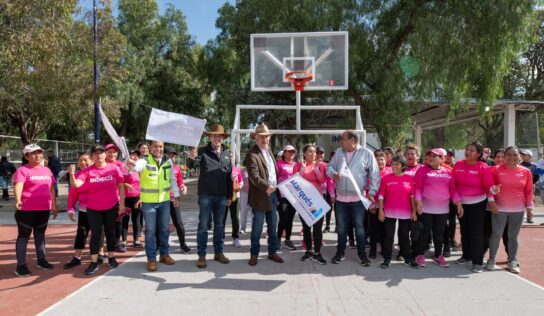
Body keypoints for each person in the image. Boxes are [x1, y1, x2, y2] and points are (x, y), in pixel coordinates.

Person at [68, 144, 124, 275]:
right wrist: (71, 174)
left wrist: (121, 204)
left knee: (110, 233)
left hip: (111, 206)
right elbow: (76, 185)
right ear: (93, 156)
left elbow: (121, 186)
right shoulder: (88, 171)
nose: (99, 155)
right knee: (96, 235)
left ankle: (111, 258)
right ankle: (93, 262)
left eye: (101, 152)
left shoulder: (114, 168)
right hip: (93, 208)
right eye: (96, 153)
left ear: (105, 154)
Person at [326, 130, 380, 266]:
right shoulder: (339, 152)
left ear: (353, 141)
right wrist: (333, 173)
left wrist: (372, 191)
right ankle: (340, 253)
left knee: (360, 228)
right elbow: (328, 167)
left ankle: (362, 255)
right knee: (342, 228)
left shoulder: (366, 153)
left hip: (358, 199)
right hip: (341, 199)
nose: (341, 142)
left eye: (343, 139)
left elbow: (375, 174)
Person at [127, 140, 180, 272]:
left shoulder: (168, 162)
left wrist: (177, 195)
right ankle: (151, 259)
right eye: (155, 146)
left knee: (164, 229)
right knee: (150, 231)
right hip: (149, 203)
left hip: (165, 202)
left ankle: (164, 255)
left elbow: (172, 179)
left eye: (160, 146)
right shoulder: (144, 161)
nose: (158, 148)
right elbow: (135, 167)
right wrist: (131, 164)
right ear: (150, 147)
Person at [187, 124, 233, 269]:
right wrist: (191, 158)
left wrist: (230, 195)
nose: (217, 138)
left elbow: (229, 176)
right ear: (210, 137)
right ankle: (201, 255)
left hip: (221, 196)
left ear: (223, 138)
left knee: (219, 226)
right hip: (206, 195)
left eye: (220, 136)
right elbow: (191, 166)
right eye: (214, 135)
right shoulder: (201, 151)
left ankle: (218, 253)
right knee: (203, 226)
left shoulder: (227, 153)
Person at [486, 146, 533, 274]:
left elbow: (528, 191)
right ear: (505, 156)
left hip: (518, 209)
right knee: (496, 235)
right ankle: (491, 259)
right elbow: (489, 188)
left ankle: (512, 261)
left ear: (519, 156)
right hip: (499, 209)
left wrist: (529, 207)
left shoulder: (525, 171)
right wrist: (492, 199)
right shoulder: (496, 170)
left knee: (513, 236)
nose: (512, 157)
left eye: (515, 155)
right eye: (509, 155)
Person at [13, 144, 58, 277]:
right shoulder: (22, 170)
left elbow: (51, 189)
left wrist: (54, 205)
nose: (37, 155)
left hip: (44, 209)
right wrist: (18, 200)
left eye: (39, 152)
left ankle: (41, 260)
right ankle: (21, 266)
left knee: (40, 235)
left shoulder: (47, 171)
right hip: (26, 210)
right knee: (23, 237)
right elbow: (18, 185)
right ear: (26, 156)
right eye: (33, 153)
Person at [414, 148, 462, 268]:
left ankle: (438, 256)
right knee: (424, 233)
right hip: (426, 209)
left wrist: (458, 203)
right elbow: (418, 188)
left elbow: (453, 190)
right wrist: (418, 200)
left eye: (434, 156)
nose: (430, 158)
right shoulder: (422, 170)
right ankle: (420, 255)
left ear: (442, 159)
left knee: (439, 234)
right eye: (429, 155)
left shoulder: (448, 172)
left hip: (442, 209)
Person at [452, 142, 495, 272]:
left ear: (478, 154)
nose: (467, 152)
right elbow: (453, 185)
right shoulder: (458, 165)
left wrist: (493, 199)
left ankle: (478, 262)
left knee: (476, 232)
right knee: (464, 230)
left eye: (471, 150)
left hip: (478, 204)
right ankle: (466, 256)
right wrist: (458, 202)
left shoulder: (483, 167)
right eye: (467, 149)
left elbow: (489, 187)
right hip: (461, 204)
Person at [245, 124, 283, 266]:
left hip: (272, 195)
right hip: (260, 196)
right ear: (256, 138)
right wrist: (267, 186)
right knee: (257, 227)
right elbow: (254, 176)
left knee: (273, 225)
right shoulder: (252, 154)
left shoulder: (269, 152)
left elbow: (273, 173)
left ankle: (272, 252)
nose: (265, 139)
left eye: (267, 136)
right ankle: (254, 254)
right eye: (262, 137)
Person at [293, 144, 332, 264]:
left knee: (317, 229)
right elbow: (295, 181)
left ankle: (317, 253)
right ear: (304, 153)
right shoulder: (298, 165)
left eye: (314, 152)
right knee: (306, 228)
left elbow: (322, 180)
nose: (313, 154)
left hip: (317, 201)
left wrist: (315, 169)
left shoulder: (321, 165)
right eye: (310, 151)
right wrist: (303, 169)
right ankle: (309, 251)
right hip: (303, 201)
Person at [378, 156, 418, 268]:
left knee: (404, 236)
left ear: (403, 166)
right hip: (389, 212)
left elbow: (412, 196)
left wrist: (414, 211)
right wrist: (381, 211)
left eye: (397, 164)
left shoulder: (409, 179)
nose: (394, 166)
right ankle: (387, 259)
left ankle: (407, 258)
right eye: (393, 164)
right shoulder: (386, 178)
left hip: (405, 213)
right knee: (388, 236)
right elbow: (381, 196)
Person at [64, 152, 95, 269]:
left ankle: (100, 255)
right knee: (81, 233)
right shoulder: (76, 176)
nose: (83, 162)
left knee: (98, 234)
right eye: (80, 160)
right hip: (84, 211)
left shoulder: (98, 173)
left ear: (92, 160)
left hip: (99, 210)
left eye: (86, 160)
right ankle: (77, 258)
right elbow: (73, 195)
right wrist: (70, 209)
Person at [164, 147, 191, 253]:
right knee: (162, 223)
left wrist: (183, 186)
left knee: (178, 222)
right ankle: (161, 244)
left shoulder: (176, 168)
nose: (171, 157)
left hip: (174, 199)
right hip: (162, 199)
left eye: (172, 155)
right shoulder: (159, 167)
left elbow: (179, 181)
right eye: (168, 155)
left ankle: (183, 244)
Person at [276, 145, 299, 250]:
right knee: (283, 218)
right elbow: (275, 179)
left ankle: (288, 240)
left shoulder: (296, 165)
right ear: (284, 153)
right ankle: (278, 239)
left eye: (293, 152)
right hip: (282, 196)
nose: (291, 154)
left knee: (290, 219)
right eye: (289, 152)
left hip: (294, 197)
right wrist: (276, 195)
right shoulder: (279, 164)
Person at [123, 149, 143, 248]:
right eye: (132, 155)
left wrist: (141, 198)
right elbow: (119, 181)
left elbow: (144, 185)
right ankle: (124, 241)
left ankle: (137, 240)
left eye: (136, 156)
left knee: (136, 220)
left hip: (137, 198)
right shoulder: (124, 168)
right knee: (125, 220)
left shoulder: (140, 170)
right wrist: (125, 184)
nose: (134, 157)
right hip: (126, 198)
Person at [224, 152, 242, 248]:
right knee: (222, 218)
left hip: (235, 196)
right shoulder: (222, 168)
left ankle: (236, 238)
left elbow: (241, 181)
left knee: (235, 217)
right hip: (224, 196)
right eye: (228, 156)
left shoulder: (236, 169)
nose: (230, 158)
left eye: (232, 157)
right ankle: (221, 238)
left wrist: (239, 186)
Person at [239, 166, 251, 234]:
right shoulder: (243, 170)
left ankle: (254, 228)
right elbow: (239, 181)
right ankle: (243, 228)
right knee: (244, 211)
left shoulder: (256, 169)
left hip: (254, 193)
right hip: (244, 193)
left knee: (254, 212)